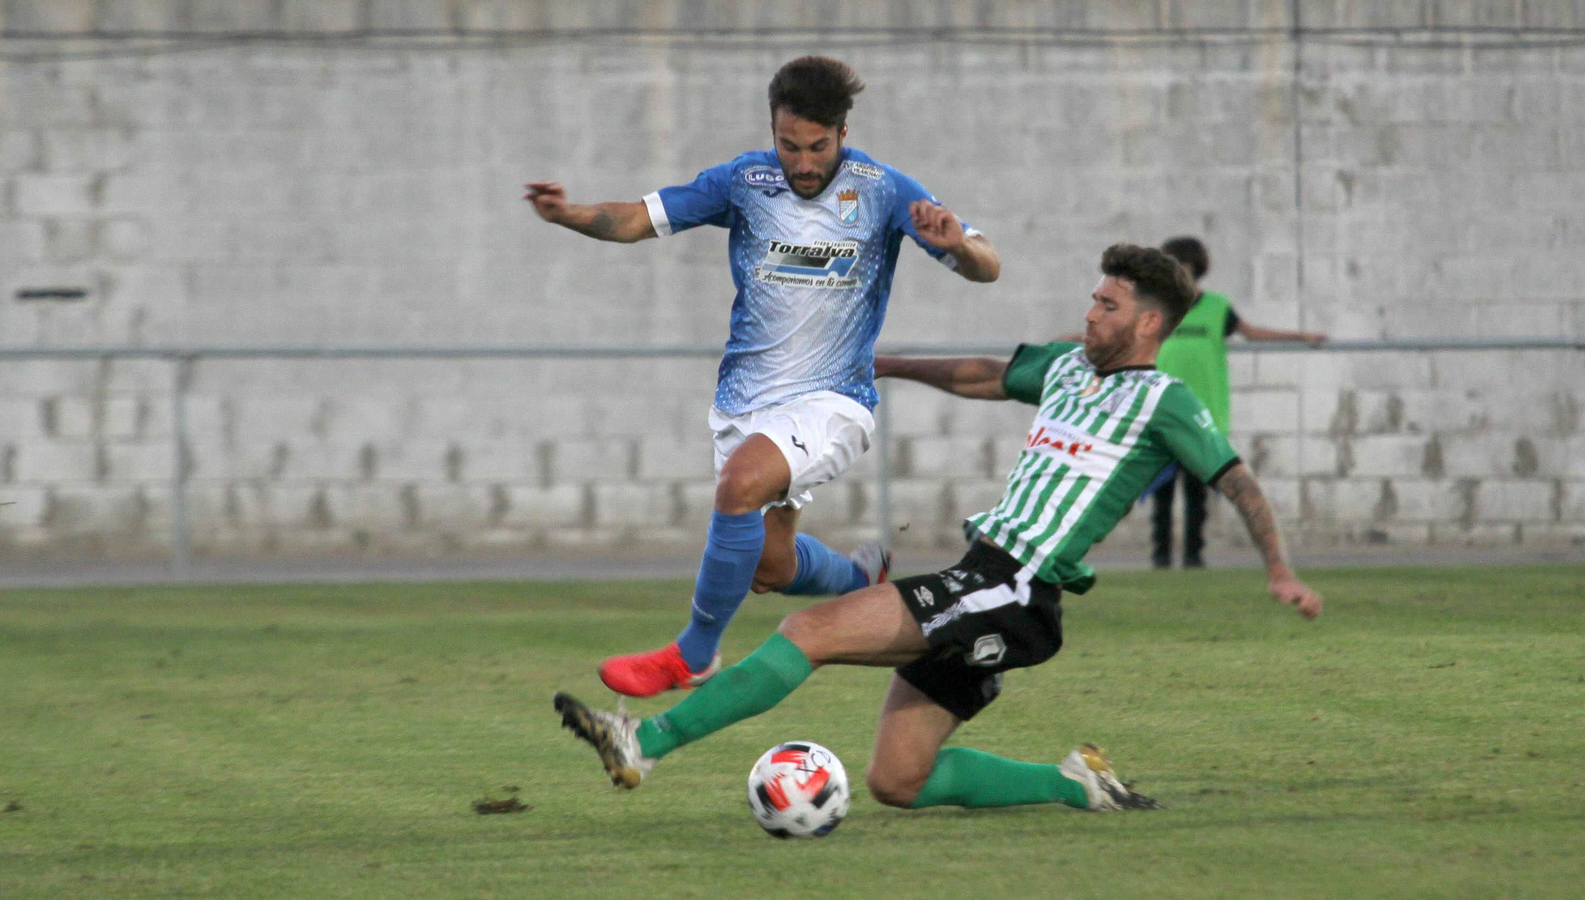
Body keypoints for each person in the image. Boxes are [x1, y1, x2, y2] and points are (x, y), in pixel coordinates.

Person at [553, 244, 1323, 816]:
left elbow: (1239, 482)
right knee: (898, 782)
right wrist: (882, 363)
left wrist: (1279, 570)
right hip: (989, 579)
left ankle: (643, 744)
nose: (1090, 312)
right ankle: (1078, 784)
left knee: (809, 628)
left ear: (1149, 322)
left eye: (1108, 305)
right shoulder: (1063, 367)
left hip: (1015, 586)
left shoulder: (1166, 402)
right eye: (1092, 298)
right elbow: (983, 374)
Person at [525, 57, 1000, 698]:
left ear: (842, 132)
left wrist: (962, 245)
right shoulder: (744, 181)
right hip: (746, 403)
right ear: (772, 131)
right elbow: (637, 218)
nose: (803, 164)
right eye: (789, 146)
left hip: (834, 399)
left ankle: (693, 654)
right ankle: (861, 580)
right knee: (769, 567)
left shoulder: (884, 190)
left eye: (817, 147)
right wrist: (566, 215)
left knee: (740, 483)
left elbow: (986, 266)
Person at [1149, 236, 1327, 569]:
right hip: (1161, 414)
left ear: (1197, 271)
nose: (1180, 276)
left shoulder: (1217, 308)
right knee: (1160, 492)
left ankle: (1193, 557)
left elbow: (1252, 332)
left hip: (1203, 415)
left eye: (1185, 269)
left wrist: (1300, 336)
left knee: (1197, 495)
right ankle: (1160, 558)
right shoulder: (1156, 309)